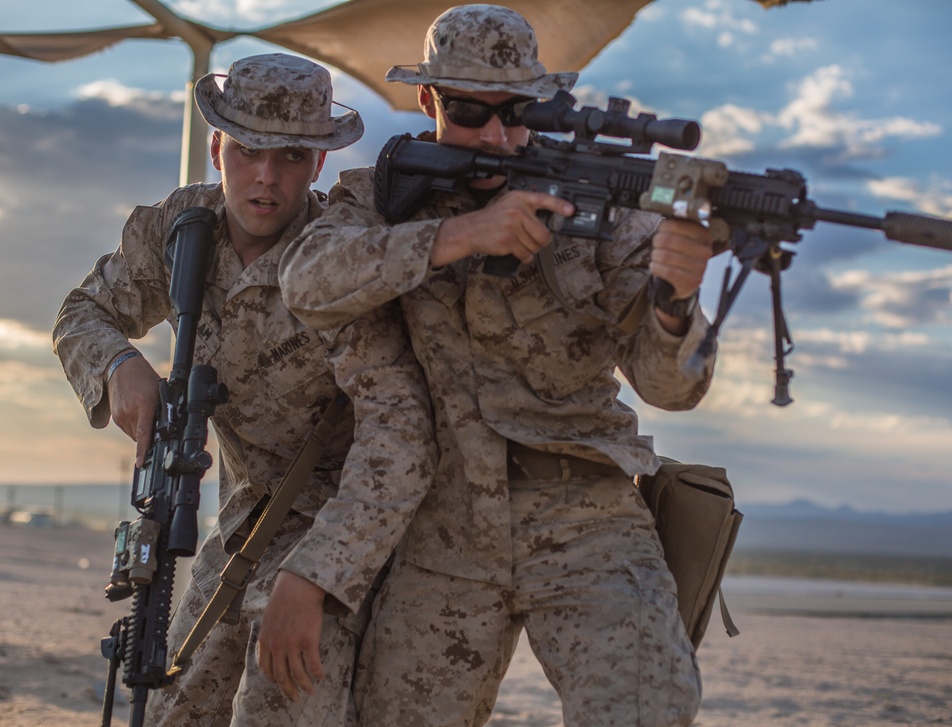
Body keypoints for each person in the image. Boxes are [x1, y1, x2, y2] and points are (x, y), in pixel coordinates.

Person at [279, 5, 716, 726]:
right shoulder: (384, 195)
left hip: (589, 518)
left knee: (646, 710)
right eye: (469, 113)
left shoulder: (606, 202)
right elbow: (307, 282)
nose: (497, 136)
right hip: (445, 529)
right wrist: (457, 234)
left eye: (517, 114)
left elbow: (673, 387)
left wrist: (676, 301)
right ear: (428, 103)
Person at [53, 53, 435, 726]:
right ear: (216, 147)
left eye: (291, 155)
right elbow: (84, 312)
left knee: (278, 699)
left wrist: (318, 573)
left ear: (318, 164)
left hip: (345, 523)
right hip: (244, 520)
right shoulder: (178, 230)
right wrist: (119, 366)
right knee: (174, 703)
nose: (265, 176)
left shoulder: (338, 258)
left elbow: (398, 436)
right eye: (248, 149)